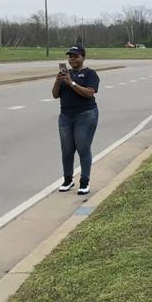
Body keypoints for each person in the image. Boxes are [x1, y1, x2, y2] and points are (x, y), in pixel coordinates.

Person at [52, 45, 100, 196]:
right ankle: (68, 179)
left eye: (75, 56)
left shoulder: (90, 73)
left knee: (83, 148)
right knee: (66, 150)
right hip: (66, 116)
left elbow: (89, 93)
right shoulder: (65, 75)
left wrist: (72, 83)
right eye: (70, 56)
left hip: (85, 114)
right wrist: (58, 80)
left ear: (83, 57)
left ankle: (84, 181)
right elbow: (55, 95)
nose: (72, 59)